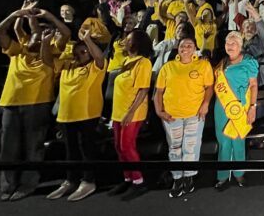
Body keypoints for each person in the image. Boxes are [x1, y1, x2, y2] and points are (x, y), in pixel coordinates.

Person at [0, 4, 71, 202]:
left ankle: (27, 185)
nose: (42, 33)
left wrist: (50, 17)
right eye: (39, 30)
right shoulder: (19, 48)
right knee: (7, 148)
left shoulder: (53, 51)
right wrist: (14, 14)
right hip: (11, 102)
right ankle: (8, 185)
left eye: (48, 32)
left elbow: (66, 32)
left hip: (38, 104)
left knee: (32, 148)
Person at [44, 30, 106, 202]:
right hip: (66, 116)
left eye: (83, 51)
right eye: (77, 52)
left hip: (87, 115)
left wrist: (87, 39)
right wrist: (45, 42)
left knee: (86, 149)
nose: (79, 55)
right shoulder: (67, 66)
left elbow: (99, 57)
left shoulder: (95, 66)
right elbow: (47, 61)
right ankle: (71, 180)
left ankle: (88, 181)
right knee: (70, 151)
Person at [154, 37, 214, 198]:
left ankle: (189, 177)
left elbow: (209, 87)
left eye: (189, 45)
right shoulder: (168, 67)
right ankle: (177, 179)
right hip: (172, 116)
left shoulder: (203, 65)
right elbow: (158, 92)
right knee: (174, 148)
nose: (185, 48)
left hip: (195, 114)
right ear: (177, 48)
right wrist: (159, 110)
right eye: (182, 45)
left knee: (191, 147)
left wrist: (206, 104)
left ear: (195, 48)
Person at [108, 30, 154, 201]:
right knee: (119, 147)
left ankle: (139, 181)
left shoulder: (143, 63)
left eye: (128, 40)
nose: (125, 42)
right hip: (118, 111)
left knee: (127, 146)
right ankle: (127, 178)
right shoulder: (127, 60)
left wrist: (130, 112)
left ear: (137, 43)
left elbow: (143, 90)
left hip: (132, 113)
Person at [213, 32, 259, 190]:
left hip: (241, 107)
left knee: (239, 141)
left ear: (240, 46)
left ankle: (239, 174)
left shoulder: (249, 62)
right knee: (224, 142)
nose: (230, 46)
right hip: (221, 107)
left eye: (234, 43)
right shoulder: (222, 63)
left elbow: (253, 85)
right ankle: (222, 176)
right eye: (228, 43)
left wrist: (253, 108)